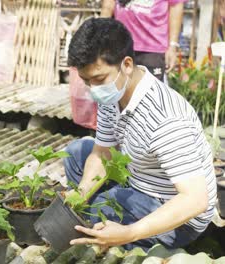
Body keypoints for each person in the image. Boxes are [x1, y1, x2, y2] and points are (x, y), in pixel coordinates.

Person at [63, 18, 216, 251]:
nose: (93, 90)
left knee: (100, 211)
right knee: (76, 154)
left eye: (99, 80)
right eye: (86, 81)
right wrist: (79, 196)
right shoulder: (112, 94)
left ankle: (132, 238)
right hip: (139, 180)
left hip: (180, 212)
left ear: (126, 64)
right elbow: (103, 151)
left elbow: (195, 200)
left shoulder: (166, 117)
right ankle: (105, 225)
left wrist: (129, 232)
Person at [100, 0, 186, 81]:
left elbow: (176, 6)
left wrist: (173, 45)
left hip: (153, 49)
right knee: (120, 91)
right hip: (121, 45)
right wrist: (99, 39)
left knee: (151, 92)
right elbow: (108, 6)